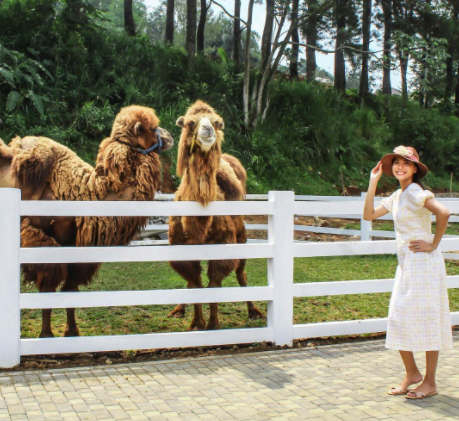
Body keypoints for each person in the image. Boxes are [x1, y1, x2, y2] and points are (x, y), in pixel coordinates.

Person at [363, 145, 453, 400]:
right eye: (396, 162)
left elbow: (443, 213)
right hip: (407, 267)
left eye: (406, 163)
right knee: (398, 317)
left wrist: (433, 244)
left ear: (415, 169)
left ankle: (430, 382)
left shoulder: (414, 192)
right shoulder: (397, 196)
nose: (400, 166)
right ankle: (412, 374)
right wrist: (373, 182)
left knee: (427, 319)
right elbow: (368, 215)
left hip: (424, 265)